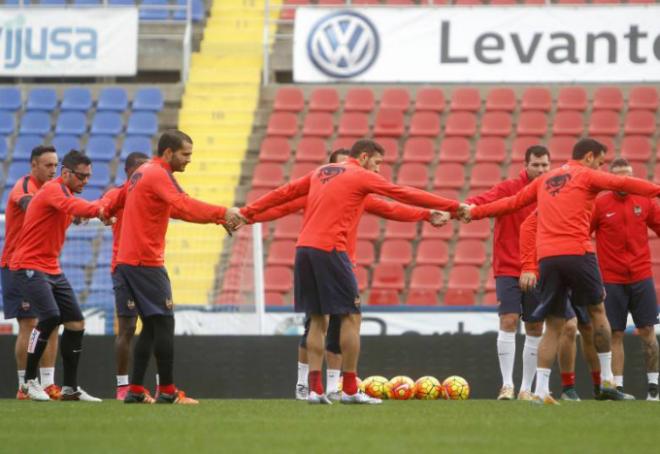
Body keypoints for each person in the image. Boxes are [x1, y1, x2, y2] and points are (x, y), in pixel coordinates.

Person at [237, 139, 464, 404]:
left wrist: (246, 212)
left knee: (318, 319)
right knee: (352, 318)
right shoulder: (359, 176)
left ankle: (314, 389)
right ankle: (349, 388)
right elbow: (400, 193)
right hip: (332, 250)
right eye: (377, 163)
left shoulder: (321, 172)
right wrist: (452, 206)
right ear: (365, 157)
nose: (378, 170)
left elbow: (284, 193)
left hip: (304, 250)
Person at [463, 137, 660, 404]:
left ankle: (542, 389)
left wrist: (472, 213)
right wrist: (656, 190)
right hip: (578, 253)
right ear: (589, 157)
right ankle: (607, 380)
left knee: (554, 324)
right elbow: (622, 183)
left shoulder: (546, 180)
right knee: (597, 312)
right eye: (600, 162)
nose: (601, 168)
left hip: (548, 259)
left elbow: (512, 205)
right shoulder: (587, 176)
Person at [115, 130, 236, 405]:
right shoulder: (158, 173)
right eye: (185, 154)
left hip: (128, 261)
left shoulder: (144, 172)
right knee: (165, 323)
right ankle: (167, 391)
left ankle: (135, 389)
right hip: (145, 261)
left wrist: (217, 220)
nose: (189, 160)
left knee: (151, 326)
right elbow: (183, 203)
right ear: (168, 153)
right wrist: (223, 212)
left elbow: (176, 210)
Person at [11, 150, 111, 402]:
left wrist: (87, 214)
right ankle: (28, 383)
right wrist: (98, 210)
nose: (85, 181)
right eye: (81, 176)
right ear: (66, 174)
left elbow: (72, 210)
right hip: (29, 264)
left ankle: (70, 388)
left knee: (76, 322)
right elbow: (72, 206)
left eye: (88, 177)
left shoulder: (64, 194)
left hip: (51, 268)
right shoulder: (53, 190)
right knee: (50, 317)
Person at [465, 145, 551, 401]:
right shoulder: (508, 188)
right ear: (525, 165)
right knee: (509, 320)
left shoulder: (553, 191)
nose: (541, 169)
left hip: (538, 268)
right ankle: (507, 385)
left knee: (535, 326)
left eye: (545, 165)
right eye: (536, 164)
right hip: (507, 266)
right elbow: (480, 201)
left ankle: (526, 388)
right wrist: (463, 208)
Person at [590, 158, 660, 400]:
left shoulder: (645, 201)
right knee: (615, 333)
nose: (625, 181)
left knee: (648, 330)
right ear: (611, 179)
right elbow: (581, 232)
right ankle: (618, 387)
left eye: (629, 176)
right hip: (611, 279)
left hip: (641, 276)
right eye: (620, 176)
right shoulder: (600, 204)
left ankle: (654, 388)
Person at [519, 211, 606, 401]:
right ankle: (563, 388)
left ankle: (601, 386)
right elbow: (526, 226)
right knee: (567, 325)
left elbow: (585, 233)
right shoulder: (548, 201)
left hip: (576, 264)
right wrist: (529, 266)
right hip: (553, 270)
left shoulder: (577, 201)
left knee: (588, 327)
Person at [1, 145, 60, 400]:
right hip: (17, 265)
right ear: (34, 165)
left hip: (41, 264)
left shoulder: (54, 190)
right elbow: (28, 204)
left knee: (52, 321)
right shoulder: (24, 186)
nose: (52, 170)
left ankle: (47, 383)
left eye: (55, 166)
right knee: (29, 323)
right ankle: (24, 385)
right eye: (48, 165)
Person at [100, 152, 150, 400]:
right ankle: (122, 386)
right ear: (129, 171)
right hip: (123, 268)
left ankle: (154, 386)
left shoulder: (151, 193)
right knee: (128, 327)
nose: (146, 173)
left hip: (150, 267)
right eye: (141, 168)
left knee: (157, 326)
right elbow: (100, 208)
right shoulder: (116, 194)